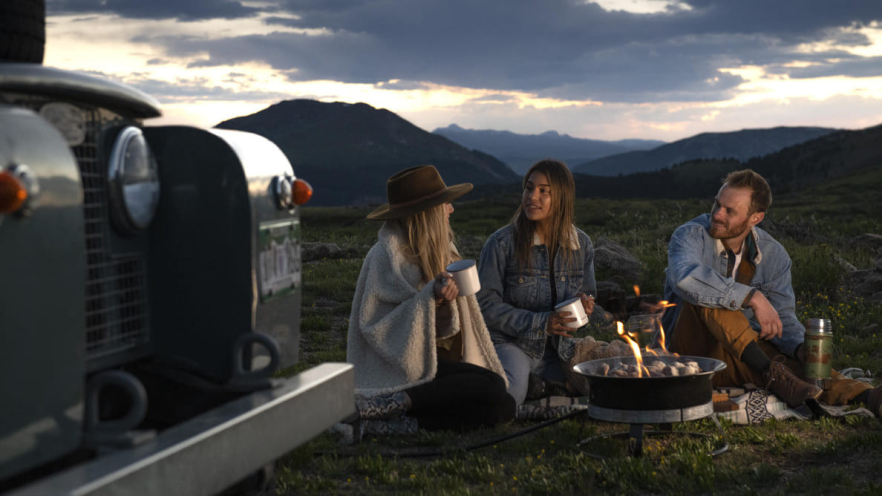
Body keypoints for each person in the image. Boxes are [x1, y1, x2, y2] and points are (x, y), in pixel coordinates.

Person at [662, 169, 881, 414]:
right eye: (717, 204)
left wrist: (800, 349)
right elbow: (685, 277)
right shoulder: (690, 236)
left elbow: (782, 319)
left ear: (755, 218)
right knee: (704, 293)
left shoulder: (774, 255)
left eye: (729, 211)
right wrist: (752, 296)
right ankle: (771, 374)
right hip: (690, 357)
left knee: (798, 366)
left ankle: (868, 397)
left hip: (742, 356)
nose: (717, 214)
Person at [346, 165, 515, 436]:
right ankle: (382, 404)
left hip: (432, 363)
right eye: (446, 204)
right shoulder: (382, 259)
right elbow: (374, 329)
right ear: (428, 213)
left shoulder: (444, 253)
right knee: (491, 392)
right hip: (393, 370)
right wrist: (430, 298)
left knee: (503, 402)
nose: (451, 210)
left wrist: (441, 302)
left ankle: (393, 421)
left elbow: (447, 331)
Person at [477, 159, 597, 406]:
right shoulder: (501, 244)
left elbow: (588, 296)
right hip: (511, 344)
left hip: (558, 350)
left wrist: (585, 309)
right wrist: (542, 322)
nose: (532, 197)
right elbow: (485, 306)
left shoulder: (581, 245)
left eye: (544, 191)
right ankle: (535, 387)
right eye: (529, 188)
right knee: (509, 398)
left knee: (596, 390)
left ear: (562, 198)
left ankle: (542, 387)